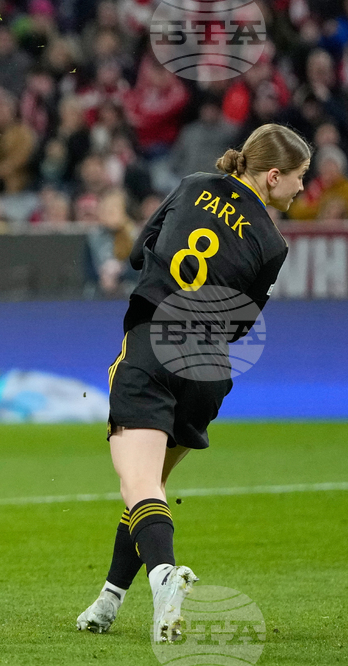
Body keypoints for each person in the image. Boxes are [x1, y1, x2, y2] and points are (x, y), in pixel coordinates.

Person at [76, 123, 311, 642]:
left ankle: (166, 577)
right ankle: (109, 601)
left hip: (153, 344)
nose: (301, 188)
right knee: (150, 489)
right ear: (273, 176)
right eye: (299, 178)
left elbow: (139, 254)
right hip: (208, 367)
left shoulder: (193, 185)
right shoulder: (272, 244)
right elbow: (244, 323)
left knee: (137, 485)